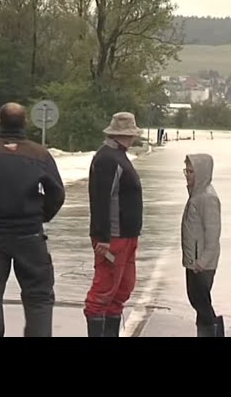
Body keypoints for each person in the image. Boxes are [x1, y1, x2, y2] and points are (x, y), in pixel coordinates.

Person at [0, 102, 65, 337]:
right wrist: (41, 215)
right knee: (38, 296)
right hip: (30, 235)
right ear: (24, 123)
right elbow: (57, 193)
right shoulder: (39, 154)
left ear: (0, 122)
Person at [84, 111, 144, 337]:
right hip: (114, 237)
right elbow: (102, 199)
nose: (133, 138)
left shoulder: (117, 156)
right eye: (130, 134)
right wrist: (103, 238)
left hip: (127, 235)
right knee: (103, 292)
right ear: (122, 135)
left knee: (121, 290)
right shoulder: (108, 159)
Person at [181, 154, 224, 337]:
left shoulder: (207, 198)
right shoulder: (197, 194)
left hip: (201, 262)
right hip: (194, 259)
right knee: (198, 301)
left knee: (201, 301)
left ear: (202, 173)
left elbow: (213, 233)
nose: (187, 175)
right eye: (186, 171)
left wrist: (203, 261)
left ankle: (213, 332)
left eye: (191, 172)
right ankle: (207, 332)